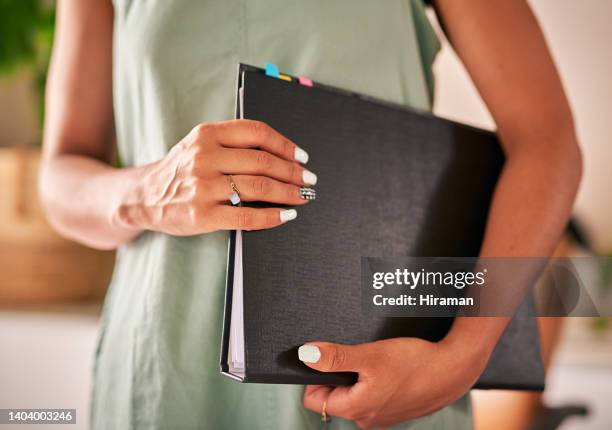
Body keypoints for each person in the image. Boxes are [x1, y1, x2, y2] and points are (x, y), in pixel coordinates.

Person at [39, 0, 581, 429]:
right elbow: (60, 177)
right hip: (165, 372)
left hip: (382, 378)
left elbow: (548, 140)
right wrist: (148, 188)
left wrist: (463, 357)